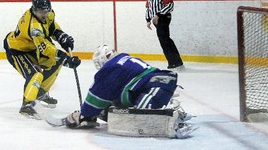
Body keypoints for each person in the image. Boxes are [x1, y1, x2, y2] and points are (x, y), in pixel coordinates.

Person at [64, 45, 194, 138]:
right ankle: (170, 108)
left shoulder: (112, 67)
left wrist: (84, 115)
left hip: (156, 85)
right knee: (115, 108)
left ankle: (171, 118)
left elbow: (97, 96)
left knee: (140, 116)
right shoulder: (125, 60)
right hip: (160, 83)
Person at [3, 0, 81, 118]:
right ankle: (27, 104)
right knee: (36, 74)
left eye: (46, 10)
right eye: (40, 12)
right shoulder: (33, 27)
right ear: (34, 10)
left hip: (33, 47)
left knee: (56, 62)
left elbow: (52, 28)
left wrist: (62, 37)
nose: (44, 14)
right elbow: (45, 48)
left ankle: (40, 93)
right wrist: (64, 57)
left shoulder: (49, 14)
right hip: (18, 50)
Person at [145, 0, 184, 70]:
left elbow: (170, 5)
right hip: (156, 19)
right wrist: (148, 19)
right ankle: (176, 62)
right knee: (165, 40)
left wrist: (158, 15)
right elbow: (149, 6)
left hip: (164, 17)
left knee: (165, 40)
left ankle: (174, 62)